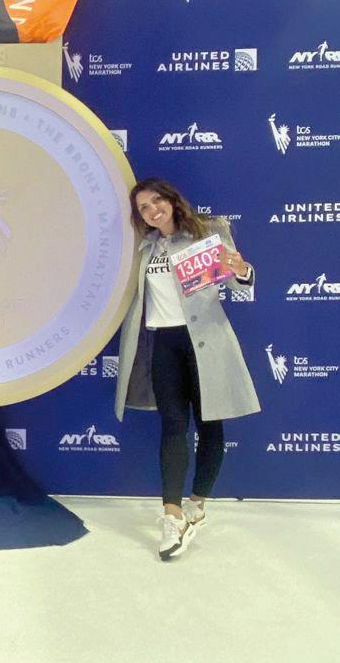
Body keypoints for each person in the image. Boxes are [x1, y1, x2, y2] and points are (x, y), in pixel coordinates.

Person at [114, 178, 260, 561]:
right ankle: (171, 514)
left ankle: (197, 502)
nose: (151, 210)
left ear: (171, 199)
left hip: (207, 340)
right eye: (143, 208)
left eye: (155, 201)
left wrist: (242, 269)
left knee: (211, 422)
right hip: (164, 343)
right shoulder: (145, 247)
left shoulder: (209, 231)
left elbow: (242, 286)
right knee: (173, 424)